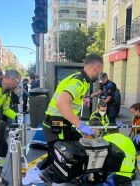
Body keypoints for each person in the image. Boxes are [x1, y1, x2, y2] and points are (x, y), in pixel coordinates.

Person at [41, 54, 103, 183]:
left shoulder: (82, 81)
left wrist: (78, 122)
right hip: (57, 124)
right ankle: (50, 174)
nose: (99, 75)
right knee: (66, 157)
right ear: (96, 68)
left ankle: (70, 175)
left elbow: (69, 105)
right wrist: (80, 125)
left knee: (78, 148)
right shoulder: (78, 81)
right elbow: (61, 103)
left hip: (61, 123)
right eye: (100, 71)